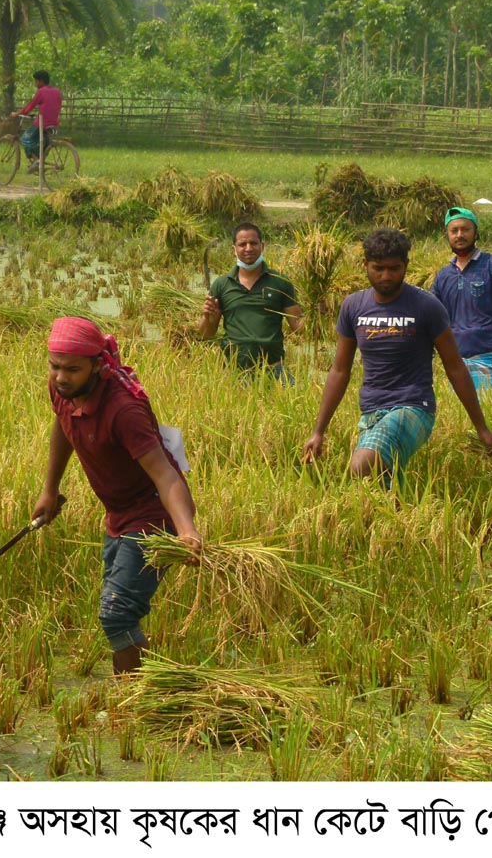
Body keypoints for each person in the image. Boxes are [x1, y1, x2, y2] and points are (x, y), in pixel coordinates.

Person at [33, 316, 201, 675]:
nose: (61, 377)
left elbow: (165, 474)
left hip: (154, 514)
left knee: (116, 615)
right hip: (118, 515)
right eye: (54, 366)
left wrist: (186, 531)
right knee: (119, 611)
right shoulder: (63, 389)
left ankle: (140, 694)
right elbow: (63, 426)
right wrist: (50, 489)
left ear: (97, 365)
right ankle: (144, 685)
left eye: (72, 369)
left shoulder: (123, 410)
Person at [302, 228, 492, 487]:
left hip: (414, 407)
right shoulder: (353, 306)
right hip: (372, 411)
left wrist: (482, 428)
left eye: (395, 268)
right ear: (365, 265)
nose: (386, 276)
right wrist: (319, 431)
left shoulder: (426, 306)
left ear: (406, 265)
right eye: (378, 268)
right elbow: (340, 370)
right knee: (379, 485)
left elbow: (455, 368)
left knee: (361, 464)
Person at [432, 206, 492, 394]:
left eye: (465, 229)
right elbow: (431, 319)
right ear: (448, 235)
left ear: (476, 233)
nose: (460, 235)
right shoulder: (443, 276)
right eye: (454, 230)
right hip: (457, 363)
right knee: (463, 421)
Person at [198, 222, 302, 380]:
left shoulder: (280, 282)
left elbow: (297, 326)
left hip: (274, 368)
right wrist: (207, 316)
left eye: (253, 243)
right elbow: (206, 334)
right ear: (234, 249)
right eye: (242, 244)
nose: (248, 248)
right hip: (234, 371)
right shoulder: (222, 284)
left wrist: (318, 314)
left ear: (262, 246)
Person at [10, 70, 62, 171]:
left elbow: (29, 106)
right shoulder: (57, 91)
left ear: (41, 81)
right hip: (54, 123)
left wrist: (16, 114)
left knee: (24, 138)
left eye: (36, 81)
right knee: (42, 143)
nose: (35, 84)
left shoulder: (41, 91)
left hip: (42, 122)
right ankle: (40, 160)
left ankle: (36, 161)